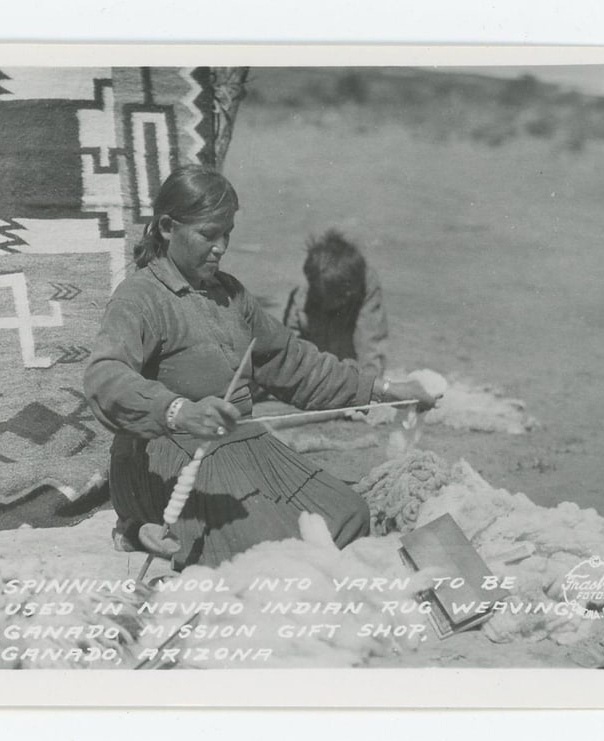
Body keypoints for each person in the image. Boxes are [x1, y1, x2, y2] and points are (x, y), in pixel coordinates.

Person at [84, 165, 435, 569]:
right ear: (167, 228)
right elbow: (104, 375)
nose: (221, 247)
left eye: (227, 233)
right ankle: (137, 528)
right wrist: (180, 411)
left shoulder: (230, 295)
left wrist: (388, 389)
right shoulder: (140, 297)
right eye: (208, 234)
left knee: (350, 514)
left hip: (245, 446)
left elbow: (296, 363)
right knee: (279, 551)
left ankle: (184, 534)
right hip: (170, 456)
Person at [282, 228, 388, 376]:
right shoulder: (302, 296)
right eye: (339, 296)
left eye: (349, 294)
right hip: (315, 369)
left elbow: (369, 345)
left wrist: (369, 384)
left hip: (351, 368)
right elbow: (290, 349)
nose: (347, 298)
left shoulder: (365, 285)